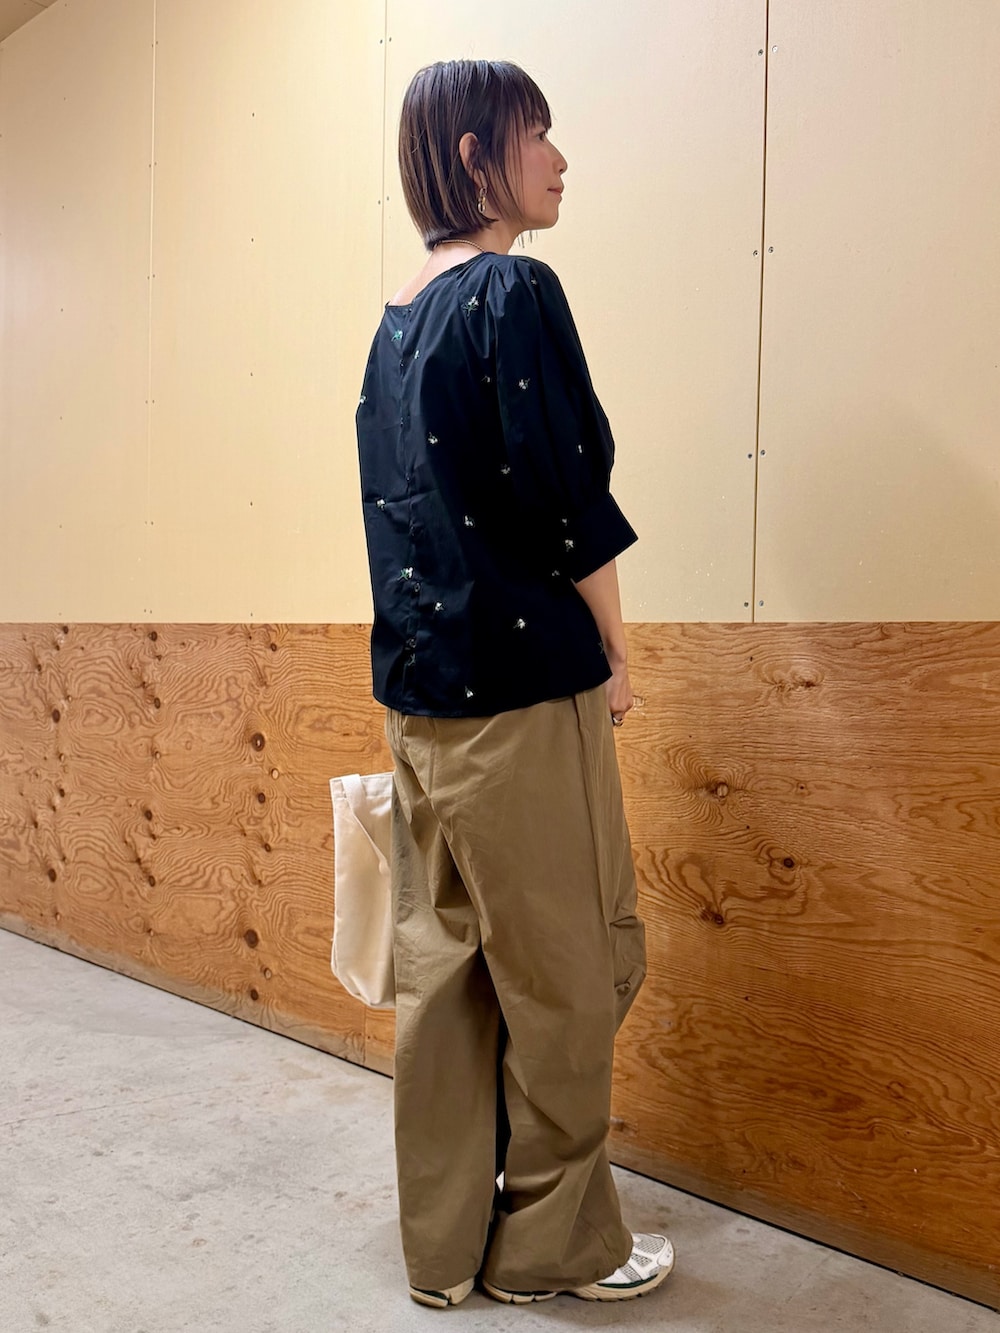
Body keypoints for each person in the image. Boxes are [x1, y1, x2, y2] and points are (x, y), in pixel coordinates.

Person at [355, 58, 674, 1308]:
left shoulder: (394, 322)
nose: (559, 157)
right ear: (478, 155)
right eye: (538, 133)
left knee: (443, 978)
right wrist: (617, 652)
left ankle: (442, 1254)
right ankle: (553, 1246)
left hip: (420, 702)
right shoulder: (511, 291)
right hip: (522, 697)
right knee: (571, 973)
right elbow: (565, 496)